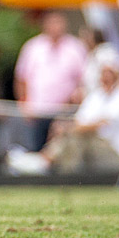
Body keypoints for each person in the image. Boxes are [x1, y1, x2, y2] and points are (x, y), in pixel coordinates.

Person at [43, 47, 119, 174]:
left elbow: (99, 124)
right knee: (76, 137)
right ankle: (49, 163)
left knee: (79, 137)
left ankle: (56, 169)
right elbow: (80, 122)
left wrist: (67, 129)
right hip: (96, 153)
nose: (106, 76)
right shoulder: (96, 96)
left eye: (109, 72)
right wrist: (69, 129)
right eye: (103, 72)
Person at [13, 11, 87, 152]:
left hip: (66, 112)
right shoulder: (33, 47)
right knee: (37, 149)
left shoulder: (75, 47)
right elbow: (21, 77)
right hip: (38, 111)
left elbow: (83, 79)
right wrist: (24, 102)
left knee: (65, 150)